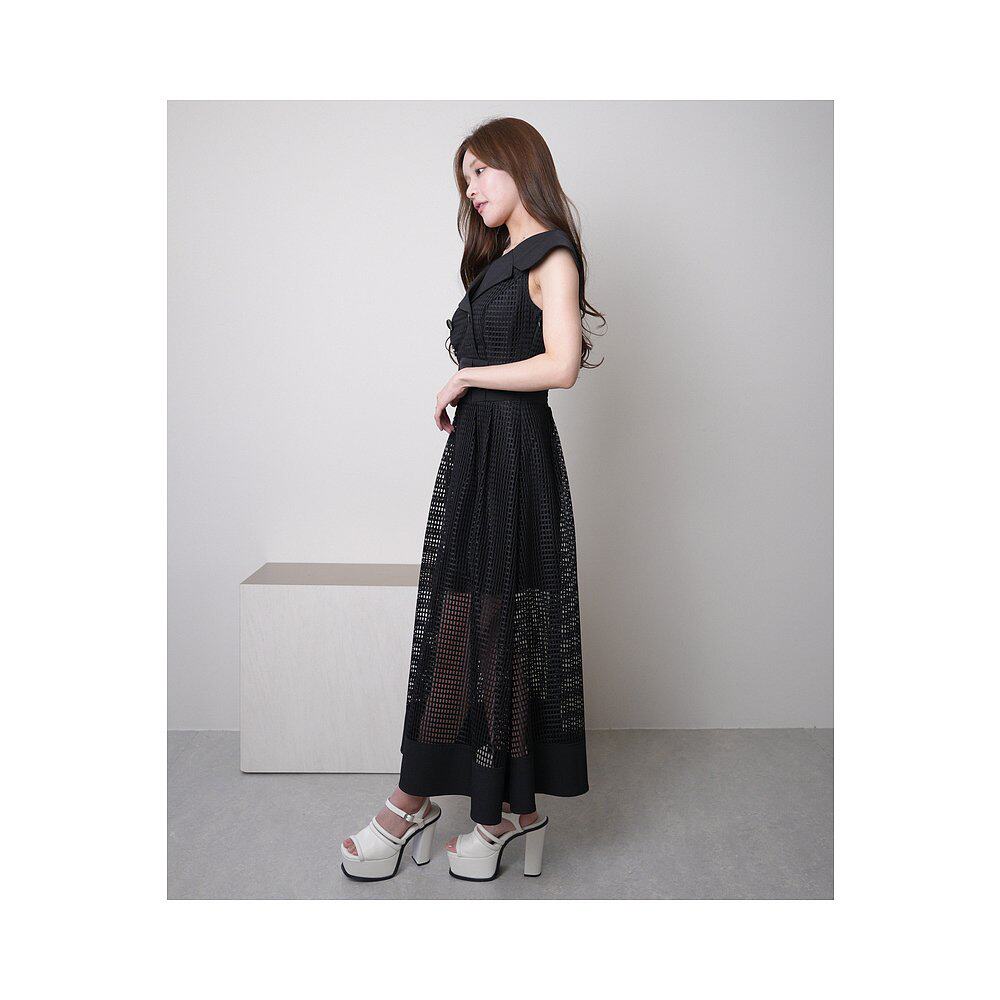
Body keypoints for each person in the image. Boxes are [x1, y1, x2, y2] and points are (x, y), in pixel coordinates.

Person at [341, 116, 604, 883]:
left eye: (482, 171)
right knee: (468, 621)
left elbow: (561, 366)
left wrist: (466, 376)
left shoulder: (552, 254)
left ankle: (424, 805)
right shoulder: (497, 262)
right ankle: (505, 812)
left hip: (516, 457)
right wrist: (473, 388)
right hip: (478, 456)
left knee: (487, 625)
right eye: (465, 179)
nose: (472, 189)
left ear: (521, 165)